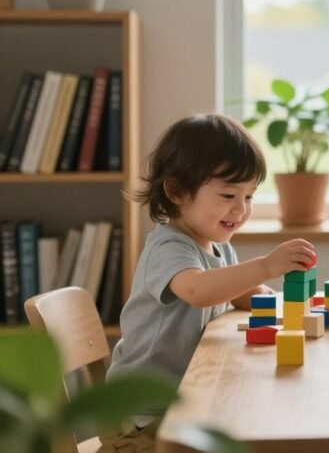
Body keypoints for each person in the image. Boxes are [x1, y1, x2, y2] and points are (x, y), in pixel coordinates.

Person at [100, 114, 316, 453]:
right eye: (229, 195)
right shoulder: (168, 247)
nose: (241, 210)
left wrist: (279, 301)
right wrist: (266, 265)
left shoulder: (217, 245)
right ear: (176, 191)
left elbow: (237, 292)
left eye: (249, 196)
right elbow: (198, 291)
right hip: (140, 420)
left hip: (180, 405)